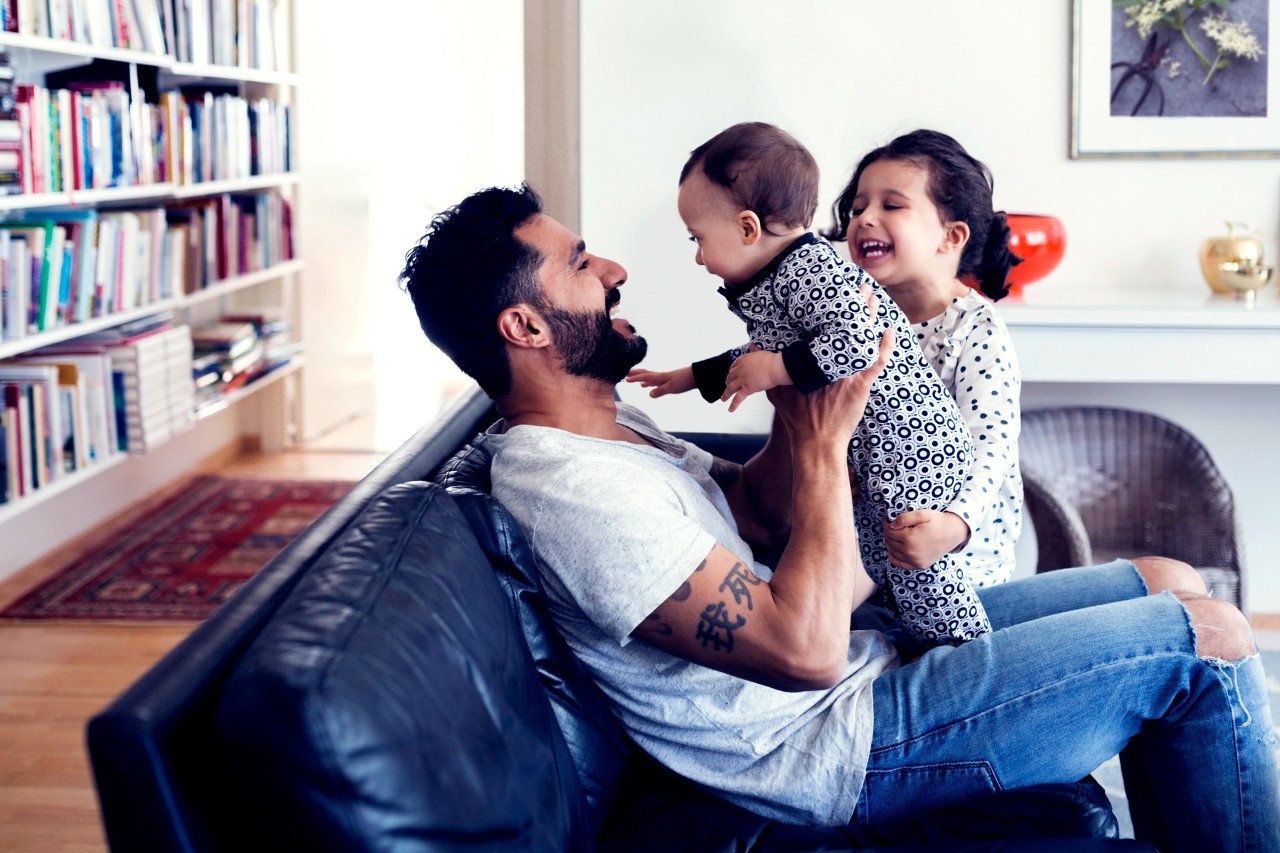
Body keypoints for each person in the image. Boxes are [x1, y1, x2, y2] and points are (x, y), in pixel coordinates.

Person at [399, 183, 1279, 851]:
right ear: (526, 325)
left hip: (873, 663)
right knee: (1211, 639)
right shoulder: (567, 486)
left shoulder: (614, 424)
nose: (615, 271)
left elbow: (752, 512)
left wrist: (804, 384)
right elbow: (805, 651)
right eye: (582, 265)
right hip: (833, 744)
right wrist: (825, 449)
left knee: (1171, 582)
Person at [626, 121, 990, 647]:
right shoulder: (780, 274)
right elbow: (768, 351)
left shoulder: (809, 269)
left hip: (913, 445)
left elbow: (857, 343)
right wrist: (690, 377)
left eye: (699, 238)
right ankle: (918, 642)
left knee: (916, 567)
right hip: (877, 452)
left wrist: (773, 371)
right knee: (877, 559)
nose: (699, 257)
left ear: (749, 228)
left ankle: (965, 650)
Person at [826, 129, 1024, 587]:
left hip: (959, 568)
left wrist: (955, 525)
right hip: (864, 547)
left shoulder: (975, 329)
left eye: (891, 206)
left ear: (950, 236)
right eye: (858, 208)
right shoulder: (852, 315)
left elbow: (991, 446)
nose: (865, 218)